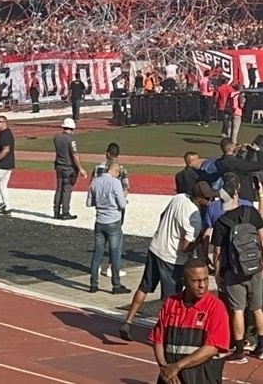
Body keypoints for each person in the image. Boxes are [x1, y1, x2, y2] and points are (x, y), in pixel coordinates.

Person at [119, 181, 218, 342]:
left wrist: (163, 231)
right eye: (207, 198)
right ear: (199, 198)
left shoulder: (178, 198)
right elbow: (185, 247)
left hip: (156, 247)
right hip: (172, 259)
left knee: (144, 287)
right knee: (170, 300)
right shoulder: (194, 218)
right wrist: (200, 240)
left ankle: (128, 321)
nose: (210, 201)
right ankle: (162, 333)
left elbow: (162, 215)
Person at [212, 180, 263, 362]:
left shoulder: (222, 222)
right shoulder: (251, 212)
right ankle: (261, 347)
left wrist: (217, 274)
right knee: (257, 308)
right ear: (236, 195)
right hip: (254, 267)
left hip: (233, 271)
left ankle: (239, 350)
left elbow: (218, 253)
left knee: (238, 310)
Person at [149, 258, 230, 384]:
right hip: (171, 378)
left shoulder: (216, 308)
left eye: (205, 279)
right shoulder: (171, 303)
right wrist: (164, 368)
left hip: (201, 378)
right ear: (184, 282)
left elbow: (212, 348)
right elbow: (158, 339)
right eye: (196, 281)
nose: (202, 285)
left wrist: (177, 366)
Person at [86, 159, 131, 295]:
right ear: (116, 171)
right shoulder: (115, 182)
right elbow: (122, 204)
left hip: (100, 220)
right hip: (113, 220)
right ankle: (116, 285)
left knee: (97, 253)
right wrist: (123, 198)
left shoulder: (95, 181)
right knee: (115, 252)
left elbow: (89, 202)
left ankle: (93, 284)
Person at [92, 143, 130, 277]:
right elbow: (125, 189)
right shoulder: (121, 169)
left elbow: (92, 187)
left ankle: (96, 267)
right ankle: (112, 268)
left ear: (107, 153)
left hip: (101, 209)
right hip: (115, 209)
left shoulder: (97, 168)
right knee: (116, 240)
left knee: (100, 241)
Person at [53, 117, 87, 220]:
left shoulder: (56, 137)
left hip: (59, 166)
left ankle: (56, 211)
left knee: (59, 189)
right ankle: (65, 212)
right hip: (68, 168)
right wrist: (80, 168)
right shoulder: (71, 140)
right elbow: (75, 155)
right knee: (67, 190)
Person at [215, 138, 263, 203]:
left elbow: (235, 165)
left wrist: (240, 153)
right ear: (230, 149)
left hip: (229, 192)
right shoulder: (237, 163)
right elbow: (262, 165)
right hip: (244, 195)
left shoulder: (218, 162)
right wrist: (258, 150)